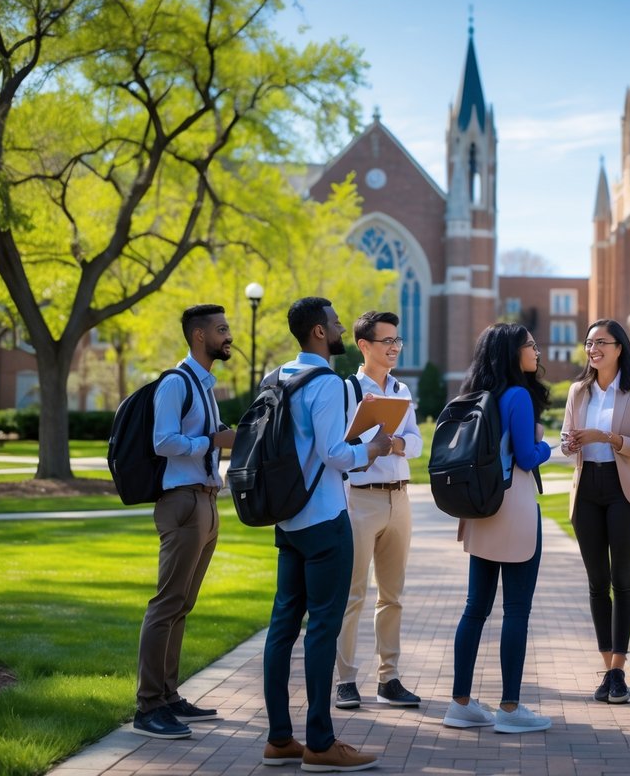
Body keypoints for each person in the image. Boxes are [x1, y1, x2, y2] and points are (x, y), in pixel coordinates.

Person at [260, 297, 391, 772]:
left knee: (282, 628)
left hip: (287, 518)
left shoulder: (275, 377)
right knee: (322, 629)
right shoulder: (329, 383)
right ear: (319, 332)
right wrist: (372, 447)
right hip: (324, 517)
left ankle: (279, 739)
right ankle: (320, 741)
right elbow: (336, 454)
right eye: (334, 323)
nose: (338, 328)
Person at [442, 323, 553, 734]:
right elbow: (526, 457)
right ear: (512, 352)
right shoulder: (518, 396)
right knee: (517, 611)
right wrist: (550, 445)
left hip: (479, 508)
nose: (537, 351)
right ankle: (509, 708)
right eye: (530, 345)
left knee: (475, 608)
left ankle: (461, 702)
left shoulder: (474, 394)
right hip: (515, 508)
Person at [133, 304, 236, 739]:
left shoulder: (205, 386)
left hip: (206, 502)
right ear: (199, 336)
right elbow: (163, 441)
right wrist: (212, 439)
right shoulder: (176, 383)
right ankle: (148, 706)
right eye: (221, 329)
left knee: (183, 605)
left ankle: (170, 697)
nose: (229, 336)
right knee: (166, 604)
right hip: (182, 503)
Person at [560, 319, 630, 704]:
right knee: (596, 582)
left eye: (601, 342)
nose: (593, 348)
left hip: (623, 490)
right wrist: (571, 444)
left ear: (619, 348)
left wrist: (608, 438)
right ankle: (607, 668)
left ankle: (619, 670)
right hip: (587, 490)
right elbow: (569, 441)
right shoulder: (577, 391)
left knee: (622, 578)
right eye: (589, 342)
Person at [334, 311, 423, 711]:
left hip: (399, 498)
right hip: (360, 499)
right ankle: (346, 680)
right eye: (386, 341)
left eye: (397, 341)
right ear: (364, 346)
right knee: (353, 594)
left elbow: (418, 443)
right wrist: (375, 441)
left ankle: (389, 679)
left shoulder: (402, 389)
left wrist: (399, 445)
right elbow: (339, 445)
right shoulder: (348, 390)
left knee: (393, 596)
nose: (394, 348)